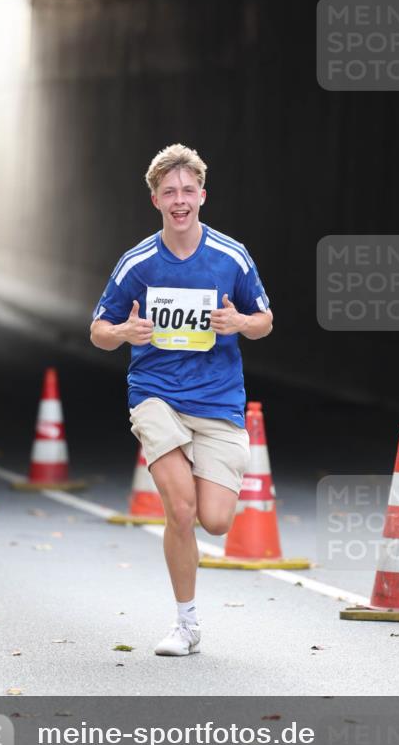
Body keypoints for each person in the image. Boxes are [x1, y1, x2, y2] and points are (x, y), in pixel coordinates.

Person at [90, 144, 272, 656]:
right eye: (169, 192)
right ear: (155, 200)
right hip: (157, 395)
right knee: (181, 508)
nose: (179, 200)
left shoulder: (231, 257)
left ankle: (195, 469)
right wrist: (124, 331)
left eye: (188, 191)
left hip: (218, 400)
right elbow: (98, 330)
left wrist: (238, 322)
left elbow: (265, 321)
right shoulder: (138, 263)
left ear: (202, 196)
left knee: (215, 519)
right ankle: (186, 624)